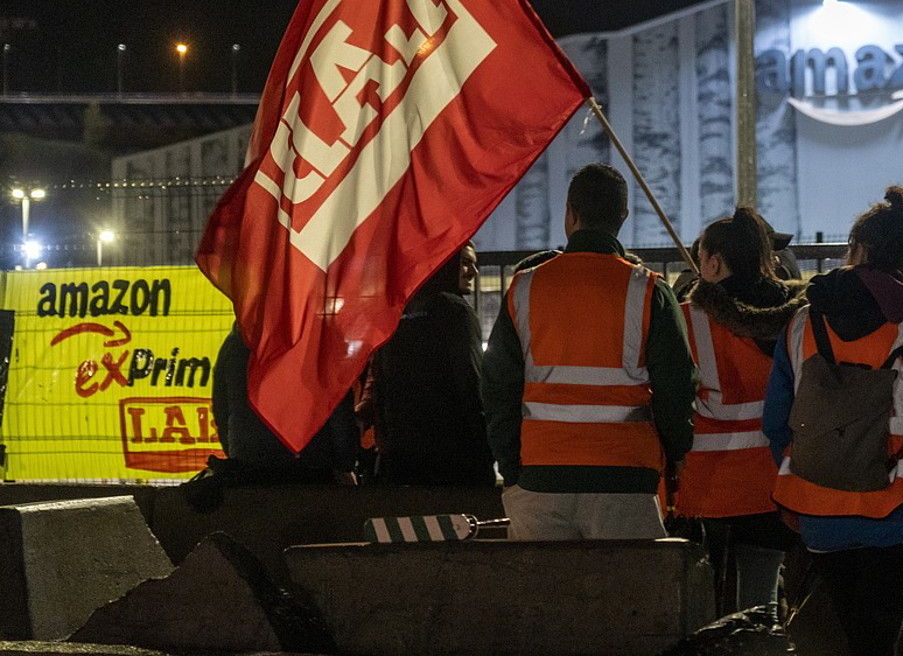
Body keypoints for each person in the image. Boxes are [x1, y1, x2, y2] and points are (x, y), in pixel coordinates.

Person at [764, 186, 903, 656]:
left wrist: (810, 465)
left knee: (849, 631)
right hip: (901, 509)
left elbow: (775, 418)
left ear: (856, 251)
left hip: (819, 508)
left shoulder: (801, 325)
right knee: (883, 634)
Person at [480, 163, 697, 540]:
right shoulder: (648, 291)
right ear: (623, 217)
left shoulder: (525, 288)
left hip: (541, 474)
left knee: (544, 596)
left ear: (570, 213)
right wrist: (673, 451)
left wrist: (513, 469)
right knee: (628, 594)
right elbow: (677, 386)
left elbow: (498, 385)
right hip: (626, 476)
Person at [676, 207, 806, 613]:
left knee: (706, 607)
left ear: (714, 262)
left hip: (707, 491)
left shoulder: (688, 318)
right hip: (775, 485)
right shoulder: (796, 318)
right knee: (760, 602)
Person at [361, 241, 495, 486]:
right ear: (445, 262)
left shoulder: (397, 312)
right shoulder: (456, 312)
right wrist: (484, 452)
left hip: (401, 460)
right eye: (465, 262)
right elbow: (470, 384)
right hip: (452, 460)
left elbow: (380, 383)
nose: (473, 272)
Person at [202, 323, 359, 488]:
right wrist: (344, 461)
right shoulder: (319, 340)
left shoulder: (235, 344)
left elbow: (221, 409)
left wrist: (236, 452)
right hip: (312, 467)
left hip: (249, 466)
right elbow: (337, 409)